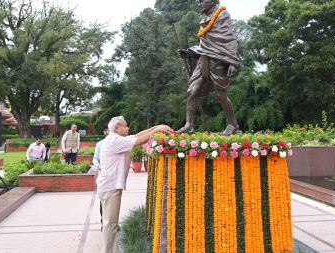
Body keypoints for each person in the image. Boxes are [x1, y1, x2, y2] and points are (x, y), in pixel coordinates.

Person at [97, 116, 172, 253]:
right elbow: (141, 140)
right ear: (117, 128)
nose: (128, 128)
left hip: (109, 187)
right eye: (125, 126)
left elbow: (138, 135)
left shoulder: (117, 138)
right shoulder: (115, 140)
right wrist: (158, 129)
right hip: (110, 188)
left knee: (110, 224)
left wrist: (156, 127)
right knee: (110, 225)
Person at [177, 0, 240, 136]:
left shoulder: (222, 15)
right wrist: (190, 52)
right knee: (191, 91)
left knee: (220, 94)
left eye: (202, 1)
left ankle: (233, 124)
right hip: (203, 59)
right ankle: (189, 125)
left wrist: (234, 62)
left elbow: (230, 39)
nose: (199, 3)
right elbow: (205, 45)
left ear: (212, 1)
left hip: (217, 60)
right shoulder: (205, 20)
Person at [92, 127, 109, 231]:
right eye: (106, 130)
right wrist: (98, 165)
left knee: (114, 202)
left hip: (114, 177)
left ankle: (113, 223)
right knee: (103, 200)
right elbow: (95, 158)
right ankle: (103, 222)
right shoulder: (100, 144)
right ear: (104, 131)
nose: (108, 131)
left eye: (109, 130)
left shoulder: (118, 143)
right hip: (103, 176)